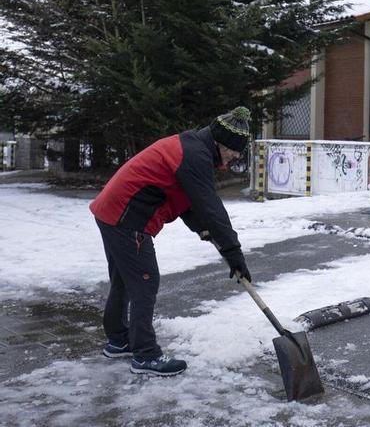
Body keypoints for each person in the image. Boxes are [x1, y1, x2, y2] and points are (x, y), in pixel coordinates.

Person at [90, 106, 253, 376]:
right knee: (145, 281)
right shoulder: (195, 155)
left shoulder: (191, 147)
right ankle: (145, 356)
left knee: (125, 280)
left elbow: (185, 199)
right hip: (127, 219)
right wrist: (234, 253)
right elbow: (211, 208)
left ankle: (119, 340)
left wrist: (204, 230)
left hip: (113, 213)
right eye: (234, 150)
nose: (236, 156)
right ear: (221, 143)